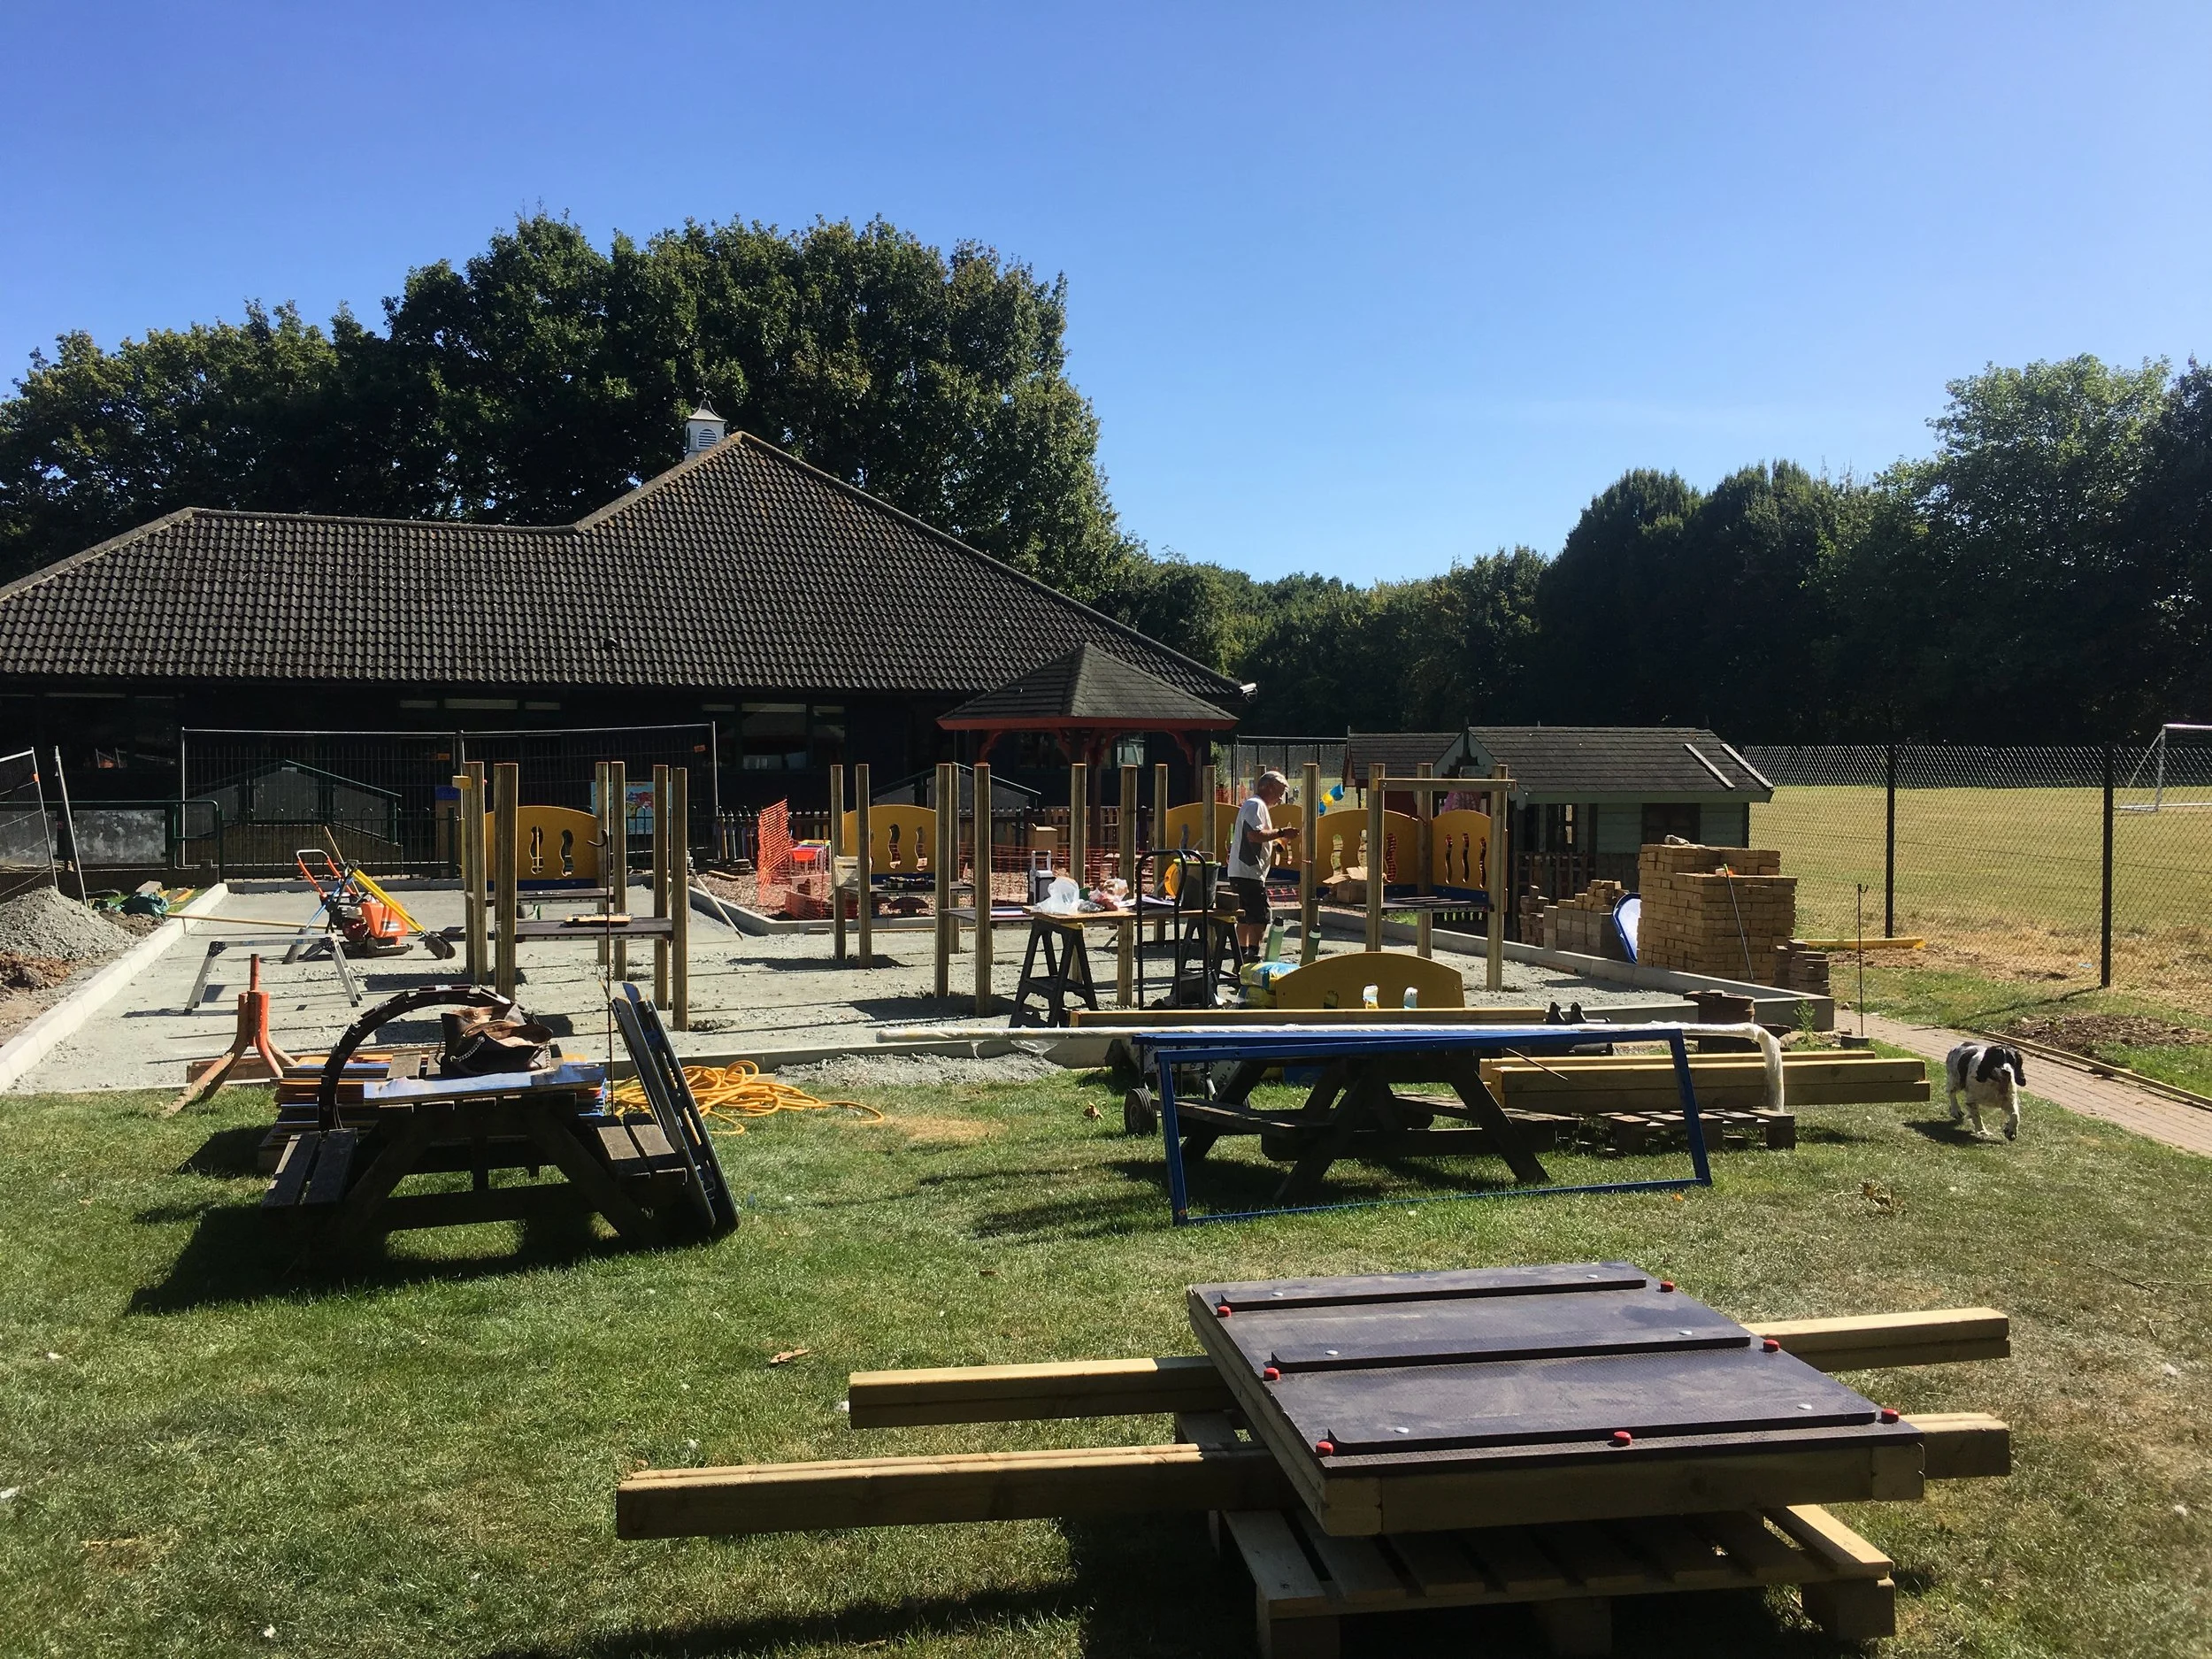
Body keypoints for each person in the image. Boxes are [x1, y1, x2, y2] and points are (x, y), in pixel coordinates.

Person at [1226, 770, 1300, 956]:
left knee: (1245, 917)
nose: (1281, 798)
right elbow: (1254, 835)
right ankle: (1252, 955)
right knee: (1260, 916)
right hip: (1249, 872)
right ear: (1269, 787)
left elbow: (1255, 836)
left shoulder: (1254, 805)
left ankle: (1241, 956)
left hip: (1241, 871)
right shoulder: (1255, 805)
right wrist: (1282, 832)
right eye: (1280, 792)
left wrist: (1277, 841)